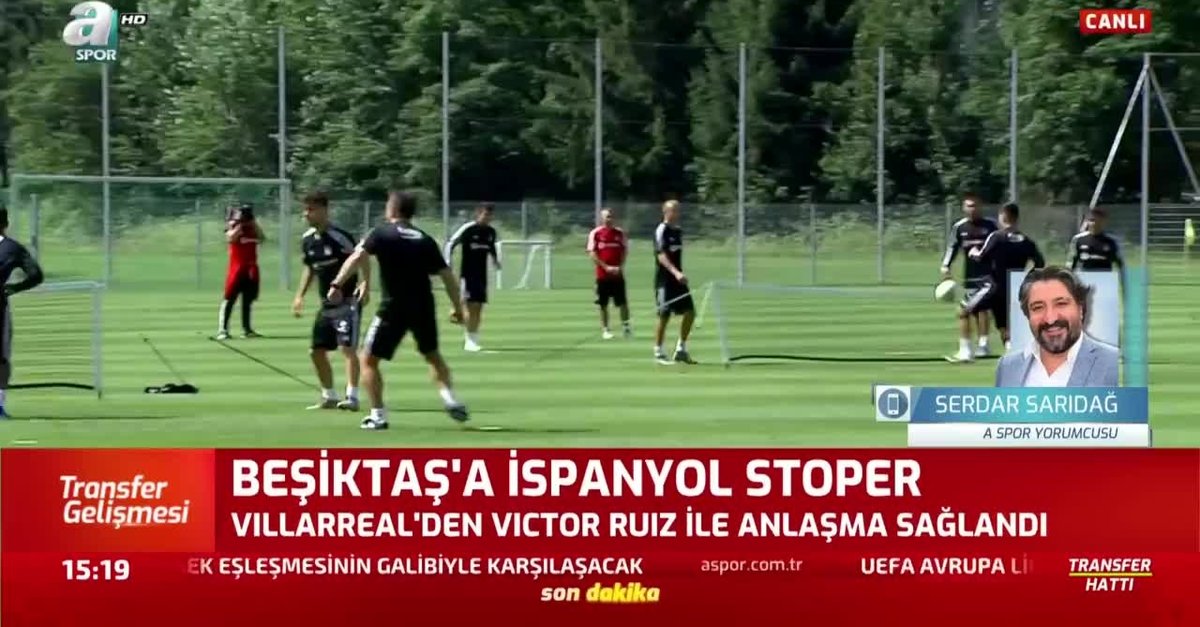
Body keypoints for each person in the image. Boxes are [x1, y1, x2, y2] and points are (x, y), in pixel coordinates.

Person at [328, 190, 468, 430]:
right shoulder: (424, 238)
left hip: (394, 306)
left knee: (368, 359)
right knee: (432, 355)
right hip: (423, 305)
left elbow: (357, 256)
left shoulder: (382, 233)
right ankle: (450, 399)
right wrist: (457, 308)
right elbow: (447, 276)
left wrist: (337, 284)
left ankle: (378, 416)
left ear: (392, 209)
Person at [292, 191, 370, 411]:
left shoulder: (340, 236)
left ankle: (352, 397)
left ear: (325, 211)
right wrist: (300, 295)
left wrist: (365, 283)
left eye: (311, 209)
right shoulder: (307, 240)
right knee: (316, 351)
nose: (306, 214)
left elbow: (361, 256)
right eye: (305, 209)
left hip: (348, 302)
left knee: (347, 349)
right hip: (326, 305)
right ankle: (329, 396)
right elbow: (310, 268)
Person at [994, 266, 1119, 387]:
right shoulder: (1007, 367)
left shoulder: (1113, 363)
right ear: (1028, 315)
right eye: (1038, 307)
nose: (1050, 319)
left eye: (1061, 304)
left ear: (1080, 309)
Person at [965, 202, 1045, 353]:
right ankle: (1012, 352)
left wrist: (973, 252)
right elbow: (1040, 263)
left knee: (965, 310)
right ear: (1017, 218)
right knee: (1006, 328)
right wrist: (1027, 277)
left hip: (995, 287)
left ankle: (966, 351)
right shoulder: (1026, 241)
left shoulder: (997, 237)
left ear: (1003, 216)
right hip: (1015, 288)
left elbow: (981, 257)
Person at [941, 194, 999, 361]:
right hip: (970, 276)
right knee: (975, 310)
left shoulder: (991, 225)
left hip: (988, 277)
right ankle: (981, 347)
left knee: (972, 310)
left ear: (980, 207)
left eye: (975, 205)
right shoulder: (960, 227)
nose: (972, 209)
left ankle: (972, 348)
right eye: (968, 206)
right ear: (963, 208)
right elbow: (952, 247)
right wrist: (945, 266)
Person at [0, 207, 45, 417]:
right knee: (1, 357)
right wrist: (14, 288)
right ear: (6, 223)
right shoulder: (12, 248)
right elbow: (36, 275)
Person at [444, 203, 500, 352]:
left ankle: (472, 338)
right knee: (471, 306)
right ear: (478, 214)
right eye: (485, 214)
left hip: (482, 275)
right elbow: (451, 243)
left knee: (478, 308)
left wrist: (495, 260)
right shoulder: (468, 229)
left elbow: (491, 247)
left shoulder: (490, 232)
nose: (488, 217)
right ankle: (469, 340)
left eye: (490, 215)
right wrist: (447, 262)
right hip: (468, 274)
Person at [653, 200, 696, 365]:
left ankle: (681, 349)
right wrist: (676, 272)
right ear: (666, 212)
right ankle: (658, 351)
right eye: (674, 210)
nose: (677, 213)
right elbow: (661, 255)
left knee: (690, 312)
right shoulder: (661, 230)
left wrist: (679, 274)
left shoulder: (677, 231)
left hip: (679, 281)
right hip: (664, 281)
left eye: (678, 210)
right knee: (664, 315)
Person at [218, 202, 264, 340]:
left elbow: (262, 238)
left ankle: (247, 329)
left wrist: (253, 222)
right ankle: (223, 330)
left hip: (251, 269)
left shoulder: (252, 229)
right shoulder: (235, 227)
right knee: (229, 299)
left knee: (247, 301)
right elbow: (230, 237)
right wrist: (239, 223)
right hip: (236, 269)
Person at [586, 208, 631, 339]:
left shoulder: (620, 233)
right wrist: (606, 267)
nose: (609, 219)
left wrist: (620, 266)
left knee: (622, 303)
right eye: (607, 217)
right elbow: (592, 253)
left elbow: (624, 251)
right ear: (602, 218)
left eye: (611, 216)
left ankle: (626, 328)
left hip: (617, 275)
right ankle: (605, 329)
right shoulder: (596, 233)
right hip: (602, 275)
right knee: (603, 304)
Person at [1069, 207, 1125, 278]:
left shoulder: (1112, 241)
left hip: (1105, 280)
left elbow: (1121, 265)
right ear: (1087, 221)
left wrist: (1123, 283)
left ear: (1104, 221)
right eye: (1092, 220)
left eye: (1098, 220)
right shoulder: (1078, 239)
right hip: (1084, 280)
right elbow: (1071, 263)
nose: (1094, 223)